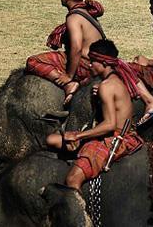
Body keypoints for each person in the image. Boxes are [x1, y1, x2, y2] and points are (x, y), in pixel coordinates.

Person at [45, 40, 143, 191]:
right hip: (110, 133)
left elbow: (110, 125)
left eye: (92, 61)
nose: (89, 65)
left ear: (104, 62)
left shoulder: (106, 87)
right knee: (51, 139)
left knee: (72, 179)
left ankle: (79, 205)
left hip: (116, 139)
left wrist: (78, 136)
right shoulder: (113, 80)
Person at [25, 0, 106, 105]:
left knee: (32, 61)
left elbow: (77, 48)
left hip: (85, 64)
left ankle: (68, 85)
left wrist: (68, 76)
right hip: (99, 62)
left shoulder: (74, 17)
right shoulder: (88, 13)